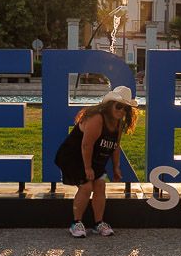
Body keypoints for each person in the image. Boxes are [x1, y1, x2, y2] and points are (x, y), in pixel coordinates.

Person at [54, 85, 138, 238]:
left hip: (94, 157)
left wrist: (116, 167)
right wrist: (87, 168)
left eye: (125, 108)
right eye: (118, 106)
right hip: (73, 156)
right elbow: (86, 145)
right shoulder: (96, 118)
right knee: (86, 186)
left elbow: (116, 146)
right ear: (109, 105)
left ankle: (98, 223)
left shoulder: (118, 123)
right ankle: (76, 223)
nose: (121, 111)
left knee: (100, 185)